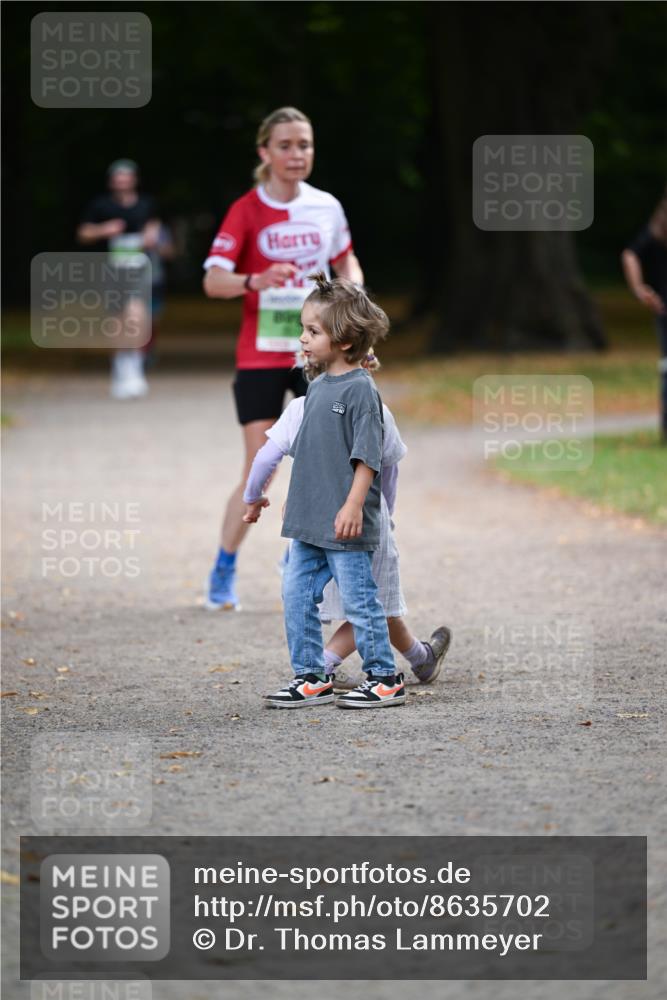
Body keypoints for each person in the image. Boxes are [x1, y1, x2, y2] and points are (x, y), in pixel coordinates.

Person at [202, 107, 363, 610]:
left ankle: (301, 563)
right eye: (287, 145)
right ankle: (223, 568)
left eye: (306, 145)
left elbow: (346, 259)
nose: (297, 154)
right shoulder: (246, 210)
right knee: (259, 464)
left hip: (316, 356)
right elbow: (212, 281)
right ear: (265, 153)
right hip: (260, 356)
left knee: (328, 464)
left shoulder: (327, 207)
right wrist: (255, 280)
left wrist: (353, 293)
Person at [244, 272, 406, 709]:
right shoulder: (314, 391)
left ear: (346, 341)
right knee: (295, 595)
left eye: (313, 331)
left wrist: (355, 504)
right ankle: (311, 675)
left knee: (359, 601)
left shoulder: (360, 392)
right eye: (303, 329)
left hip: (345, 524)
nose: (302, 338)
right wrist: (259, 498)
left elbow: (369, 457)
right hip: (308, 523)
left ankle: (384, 676)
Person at [243, 368, 452, 686]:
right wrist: (384, 514)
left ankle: (421, 659)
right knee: (372, 602)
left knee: (347, 600)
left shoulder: (300, 407)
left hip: (309, 518)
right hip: (360, 518)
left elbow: (265, 459)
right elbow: (388, 470)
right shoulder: (376, 410)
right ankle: (326, 664)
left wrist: (253, 496)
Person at [77, 160, 167, 400]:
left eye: (126, 177)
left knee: (137, 316)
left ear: (134, 180)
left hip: (139, 267)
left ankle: (136, 369)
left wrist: (151, 235)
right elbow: (83, 233)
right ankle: (120, 368)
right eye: (118, 178)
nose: (122, 182)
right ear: (111, 181)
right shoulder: (100, 206)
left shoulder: (147, 204)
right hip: (112, 270)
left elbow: (155, 227)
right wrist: (103, 230)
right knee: (117, 320)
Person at [621, 189, 667, 442]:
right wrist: (639, 289)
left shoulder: (657, 228)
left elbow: (630, 255)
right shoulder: (658, 229)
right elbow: (630, 255)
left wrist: (639, 289)